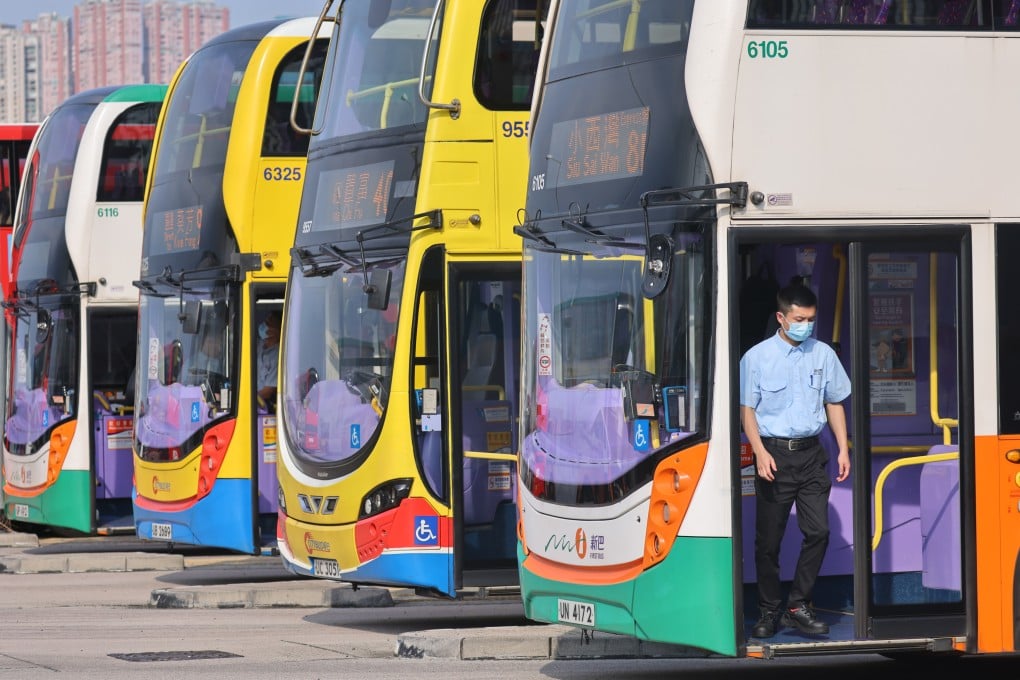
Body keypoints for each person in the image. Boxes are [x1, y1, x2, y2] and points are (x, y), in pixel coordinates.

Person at [739, 281, 851, 639]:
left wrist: (843, 448)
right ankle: (770, 610)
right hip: (773, 454)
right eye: (799, 318)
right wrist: (758, 452)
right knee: (768, 542)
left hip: (811, 455)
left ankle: (798, 605)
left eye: (811, 319)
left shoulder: (823, 355)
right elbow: (747, 411)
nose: (806, 325)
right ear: (781, 318)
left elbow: (834, 402)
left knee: (818, 531)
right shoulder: (756, 357)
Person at [256, 311, 281, 409]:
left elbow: (268, 391)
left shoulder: (278, 355)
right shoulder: (259, 344)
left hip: (261, 405)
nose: (264, 325)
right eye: (266, 322)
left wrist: (247, 400)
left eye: (269, 323)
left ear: (276, 331)